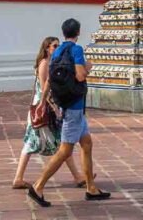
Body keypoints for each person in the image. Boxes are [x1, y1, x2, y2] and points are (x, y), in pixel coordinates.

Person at [28, 19, 110, 207]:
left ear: (64, 33)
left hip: (67, 104)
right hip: (74, 106)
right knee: (65, 150)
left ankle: (91, 187)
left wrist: (42, 101)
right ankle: (38, 186)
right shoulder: (76, 50)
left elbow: (49, 80)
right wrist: (87, 69)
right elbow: (80, 75)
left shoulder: (56, 51)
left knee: (87, 143)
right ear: (78, 32)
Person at [12, 36, 86, 190]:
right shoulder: (45, 64)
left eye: (57, 45)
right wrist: (54, 108)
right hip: (43, 107)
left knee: (61, 143)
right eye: (54, 46)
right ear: (46, 48)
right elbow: (45, 87)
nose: (56, 48)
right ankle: (18, 178)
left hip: (45, 106)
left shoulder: (52, 62)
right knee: (37, 143)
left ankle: (78, 176)